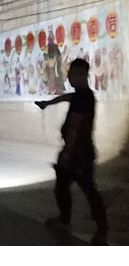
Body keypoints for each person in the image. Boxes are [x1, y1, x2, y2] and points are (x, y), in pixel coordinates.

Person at [35, 58, 108, 245]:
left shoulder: (83, 99)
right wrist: (48, 103)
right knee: (66, 188)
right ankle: (67, 222)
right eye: (69, 73)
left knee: (88, 191)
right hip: (79, 153)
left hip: (78, 154)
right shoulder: (81, 95)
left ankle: (99, 231)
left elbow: (75, 128)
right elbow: (66, 97)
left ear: (83, 76)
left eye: (73, 74)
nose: (69, 77)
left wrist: (67, 155)